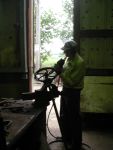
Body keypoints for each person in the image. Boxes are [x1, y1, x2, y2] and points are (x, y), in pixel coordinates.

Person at [55, 40, 85, 150]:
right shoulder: (68, 59)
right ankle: (66, 137)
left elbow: (73, 82)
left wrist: (60, 72)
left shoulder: (79, 62)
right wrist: (60, 67)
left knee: (74, 118)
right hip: (66, 90)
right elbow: (66, 74)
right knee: (64, 115)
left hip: (73, 92)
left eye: (66, 51)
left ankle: (76, 143)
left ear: (72, 50)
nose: (65, 53)